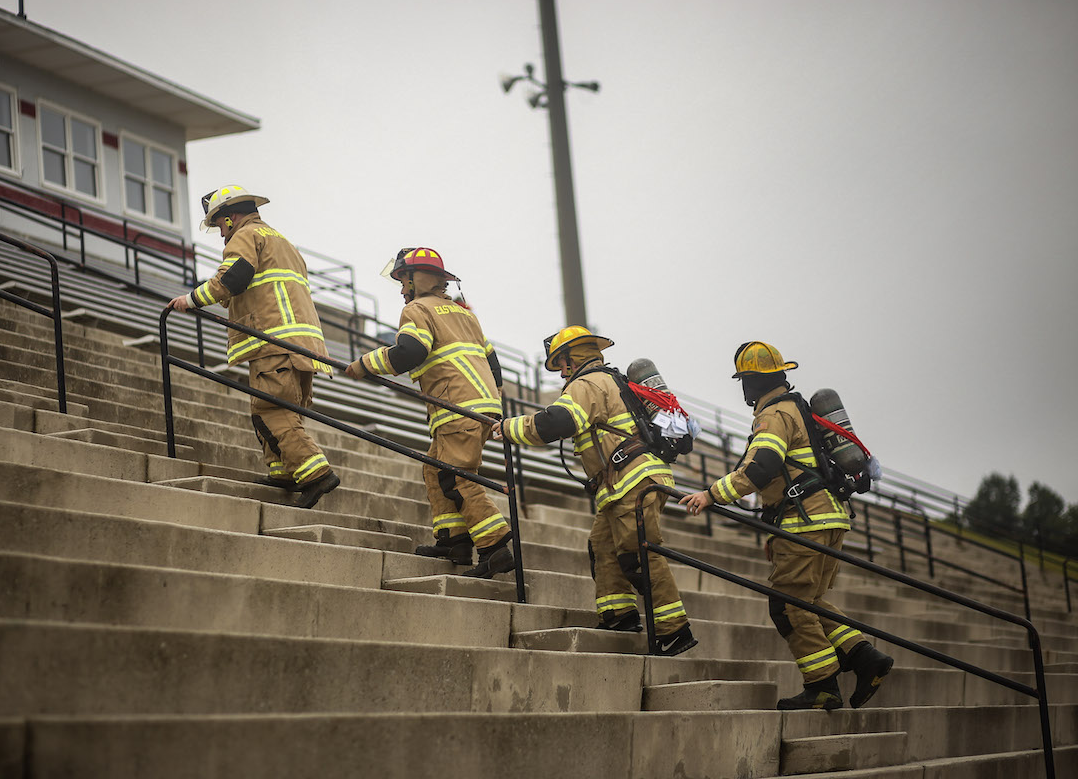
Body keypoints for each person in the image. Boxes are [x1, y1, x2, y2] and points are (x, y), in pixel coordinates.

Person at [680, 341, 893, 710]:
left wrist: (711, 494)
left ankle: (823, 686)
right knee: (810, 601)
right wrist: (772, 527)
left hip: (805, 522)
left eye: (745, 381)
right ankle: (865, 658)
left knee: (788, 606)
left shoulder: (775, 415)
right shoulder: (801, 409)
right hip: (829, 518)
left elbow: (761, 467)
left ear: (752, 383)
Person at [492, 326, 697, 656]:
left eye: (560, 364)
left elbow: (556, 423)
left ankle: (675, 629)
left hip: (633, 481)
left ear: (572, 358)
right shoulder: (609, 381)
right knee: (603, 545)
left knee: (639, 554)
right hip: (625, 483)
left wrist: (508, 428)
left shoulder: (587, 383)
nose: (560, 372)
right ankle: (619, 615)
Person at [344, 248, 514, 579]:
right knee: (435, 470)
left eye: (402, 280)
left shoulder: (417, 309)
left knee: (456, 477)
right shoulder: (465, 314)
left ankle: (495, 548)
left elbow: (411, 351)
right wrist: (488, 401)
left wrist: (365, 365)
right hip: (479, 405)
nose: (401, 288)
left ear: (415, 278)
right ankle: (454, 541)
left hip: (456, 406)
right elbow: (494, 366)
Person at [167, 185, 339, 509]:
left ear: (230, 219)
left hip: (272, 341)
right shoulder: (282, 241)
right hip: (303, 344)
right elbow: (256, 288)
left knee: (271, 408)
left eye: (218, 225)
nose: (220, 234)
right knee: (271, 410)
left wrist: (190, 300)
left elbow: (235, 276)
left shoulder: (243, 236)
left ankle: (317, 474)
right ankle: (284, 473)